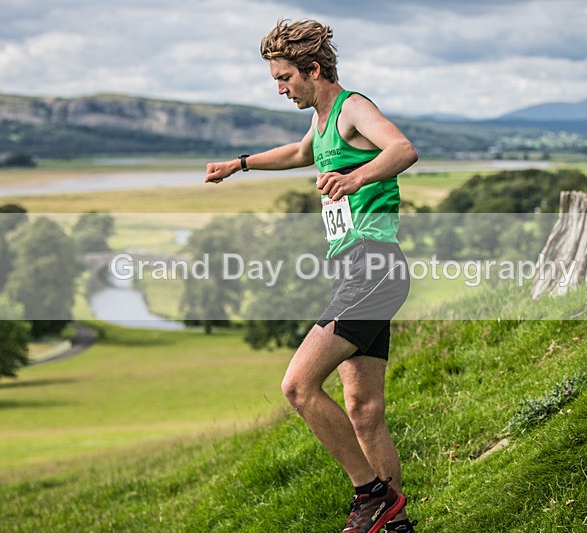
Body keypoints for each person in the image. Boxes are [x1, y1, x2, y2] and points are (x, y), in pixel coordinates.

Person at [204, 19, 419, 533]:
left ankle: (370, 495)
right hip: (357, 272)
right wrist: (240, 164)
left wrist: (355, 176)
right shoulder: (322, 121)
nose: (279, 88)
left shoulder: (351, 108)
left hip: (373, 268)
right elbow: (301, 154)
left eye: (284, 78)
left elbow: (402, 149)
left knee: (298, 386)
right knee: (363, 409)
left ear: (313, 69)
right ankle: (395, 526)